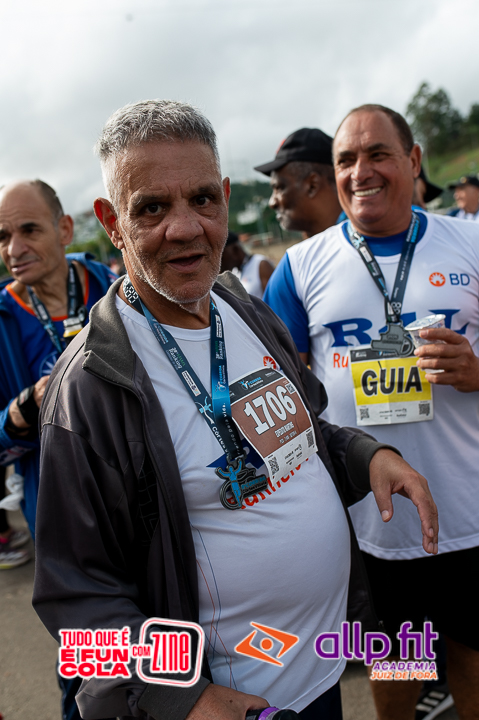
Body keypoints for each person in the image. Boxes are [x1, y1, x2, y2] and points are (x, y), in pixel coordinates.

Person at [33, 100, 438, 720]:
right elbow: (78, 599)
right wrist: (182, 696)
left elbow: (306, 433)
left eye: (201, 199)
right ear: (112, 223)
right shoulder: (89, 386)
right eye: (152, 208)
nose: (185, 227)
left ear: (224, 198)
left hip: (323, 671)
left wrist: (367, 455)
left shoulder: (245, 310)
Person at [264, 104, 479, 720]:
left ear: (413, 160)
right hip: (371, 527)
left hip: (469, 516)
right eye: (346, 160)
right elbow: (275, 387)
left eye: (378, 154)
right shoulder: (300, 266)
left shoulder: (470, 241)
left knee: (471, 659)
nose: (361, 171)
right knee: (397, 668)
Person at [0, 179, 117, 714]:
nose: (14, 249)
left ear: (65, 228)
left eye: (29, 230)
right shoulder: (3, 320)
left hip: (140, 502)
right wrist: (24, 408)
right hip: (63, 522)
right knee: (90, 668)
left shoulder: (115, 286)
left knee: (168, 651)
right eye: (2, 236)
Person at [255, 128, 344, 240]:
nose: (272, 203)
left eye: (279, 188)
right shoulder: (310, 249)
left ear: (312, 185)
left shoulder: (361, 239)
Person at [220, 231, 274, 297]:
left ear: (235, 250)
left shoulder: (261, 265)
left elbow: (272, 299)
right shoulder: (234, 272)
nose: (220, 263)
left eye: (222, 257)